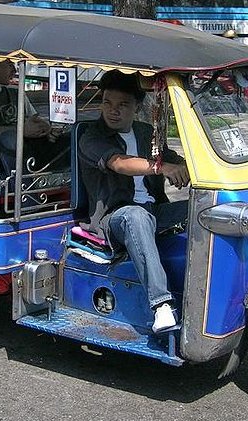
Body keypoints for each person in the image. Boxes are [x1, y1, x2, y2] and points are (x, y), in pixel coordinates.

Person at [78, 70, 190, 333]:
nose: (113, 111)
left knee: (205, 209)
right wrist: (161, 168)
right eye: (107, 103)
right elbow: (119, 163)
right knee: (135, 216)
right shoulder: (92, 137)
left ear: (137, 107)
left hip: (155, 211)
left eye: (122, 105)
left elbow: (175, 160)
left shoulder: (145, 132)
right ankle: (161, 305)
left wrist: (191, 168)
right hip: (113, 218)